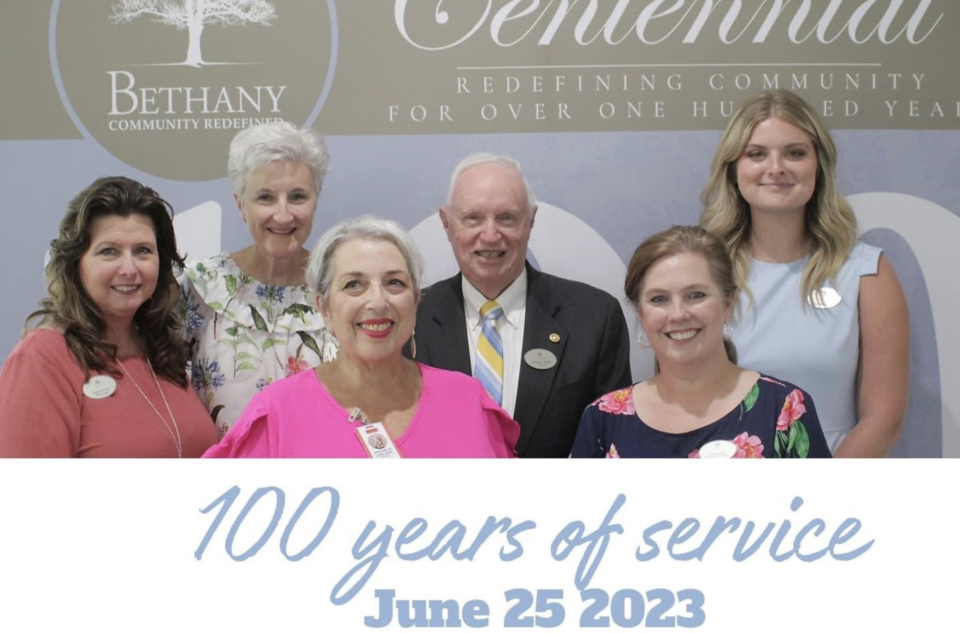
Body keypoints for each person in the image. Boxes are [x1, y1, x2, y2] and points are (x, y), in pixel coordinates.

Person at [699, 90, 909, 457]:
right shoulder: (700, 271)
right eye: (756, 154)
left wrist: (817, 498)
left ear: (819, 166)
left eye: (795, 153)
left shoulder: (866, 273)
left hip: (832, 496)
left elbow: (884, 419)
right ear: (734, 169)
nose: (776, 167)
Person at [203, 216, 519, 458]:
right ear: (323, 307)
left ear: (415, 299)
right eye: (354, 285)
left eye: (395, 283)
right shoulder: (277, 413)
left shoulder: (468, 401)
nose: (378, 302)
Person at [413, 153, 632, 458]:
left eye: (506, 218)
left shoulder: (595, 318)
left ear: (530, 221)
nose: (490, 235)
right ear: (446, 223)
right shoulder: (410, 319)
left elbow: (612, 446)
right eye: (473, 218)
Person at [0, 177, 218, 457]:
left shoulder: (162, 348)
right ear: (75, 264)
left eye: (142, 251)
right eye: (109, 251)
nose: (128, 268)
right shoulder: (43, 359)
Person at [571, 225, 831, 459]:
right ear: (641, 313)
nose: (678, 314)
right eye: (659, 299)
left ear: (728, 303)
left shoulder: (785, 409)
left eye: (695, 295)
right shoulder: (603, 418)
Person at [180, 121, 337, 436]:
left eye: (297, 196)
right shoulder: (199, 287)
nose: (282, 215)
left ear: (316, 201)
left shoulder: (341, 288)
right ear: (240, 204)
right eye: (265, 197)